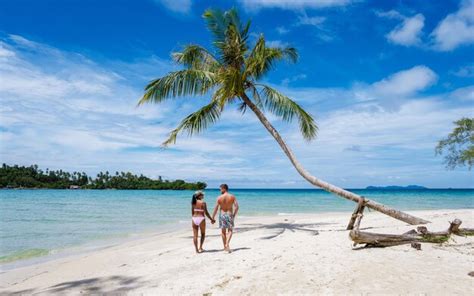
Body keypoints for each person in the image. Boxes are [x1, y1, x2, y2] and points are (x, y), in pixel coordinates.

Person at [212, 184, 239, 253]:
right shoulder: (232, 196)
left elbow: (216, 208)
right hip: (229, 214)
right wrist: (234, 215)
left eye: (220, 189)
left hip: (222, 215)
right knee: (230, 230)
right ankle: (227, 245)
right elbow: (237, 207)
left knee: (223, 232)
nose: (220, 190)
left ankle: (225, 246)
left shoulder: (219, 197)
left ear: (224, 188)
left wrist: (213, 217)